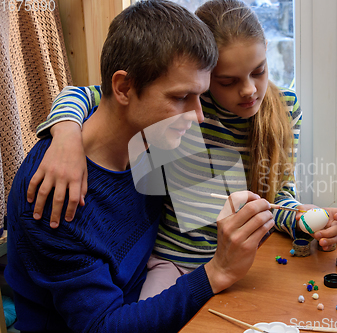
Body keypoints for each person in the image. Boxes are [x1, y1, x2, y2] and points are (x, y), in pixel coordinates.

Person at [28, 0, 337, 298]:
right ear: (205, 73)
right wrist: (66, 135)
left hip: (246, 256)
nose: (249, 90)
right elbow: (86, 95)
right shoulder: (187, 103)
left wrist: (301, 218)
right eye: (227, 81)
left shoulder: (285, 110)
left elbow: (277, 194)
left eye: (259, 71)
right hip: (173, 260)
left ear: (266, 51)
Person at [5, 1, 274, 331]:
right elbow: (106, 326)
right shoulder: (53, 195)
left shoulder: (154, 139)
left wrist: (65, 127)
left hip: (152, 298)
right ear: (123, 88)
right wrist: (216, 272)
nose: (198, 116)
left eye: (200, 96)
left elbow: (88, 95)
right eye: (180, 97)